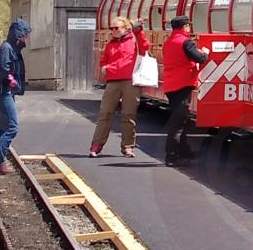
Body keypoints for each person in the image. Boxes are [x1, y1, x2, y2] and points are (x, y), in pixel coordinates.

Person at [90, 15, 149, 158]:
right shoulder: (110, 44)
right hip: (113, 81)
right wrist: (105, 68)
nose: (113, 30)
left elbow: (145, 47)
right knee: (105, 113)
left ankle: (127, 147)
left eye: (116, 28)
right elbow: (104, 61)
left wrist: (139, 31)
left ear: (126, 28)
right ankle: (96, 145)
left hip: (130, 81)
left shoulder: (134, 40)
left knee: (129, 115)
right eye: (112, 28)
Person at [158, 15, 210, 167]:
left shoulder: (168, 42)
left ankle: (184, 151)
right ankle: (172, 157)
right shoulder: (186, 42)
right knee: (178, 123)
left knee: (183, 119)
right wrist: (205, 52)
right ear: (185, 27)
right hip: (183, 84)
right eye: (188, 26)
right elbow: (200, 58)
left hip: (171, 85)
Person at [0, 18, 30, 174]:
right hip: (2, 91)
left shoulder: (11, 47)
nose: (27, 38)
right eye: (25, 34)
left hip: (3, 91)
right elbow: (5, 68)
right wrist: (11, 80)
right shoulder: (7, 48)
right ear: (19, 34)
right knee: (12, 127)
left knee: (3, 128)